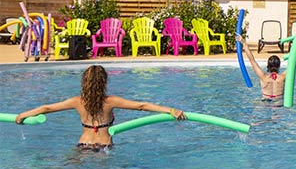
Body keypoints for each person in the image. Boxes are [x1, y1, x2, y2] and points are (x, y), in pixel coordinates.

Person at [15, 65, 185, 151]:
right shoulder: (110, 101)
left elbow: (47, 108)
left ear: (84, 82)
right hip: (103, 147)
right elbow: (141, 106)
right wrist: (170, 110)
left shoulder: (77, 101)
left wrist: (23, 115)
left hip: (82, 145)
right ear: (104, 82)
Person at [237, 34, 286, 101]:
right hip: (279, 102)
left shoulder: (263, 77)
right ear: (279, 66)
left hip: (265, 102)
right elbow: (294, 63)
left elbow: (252, 61)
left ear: (268, 66)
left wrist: (244, 43)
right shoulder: (283, 77)